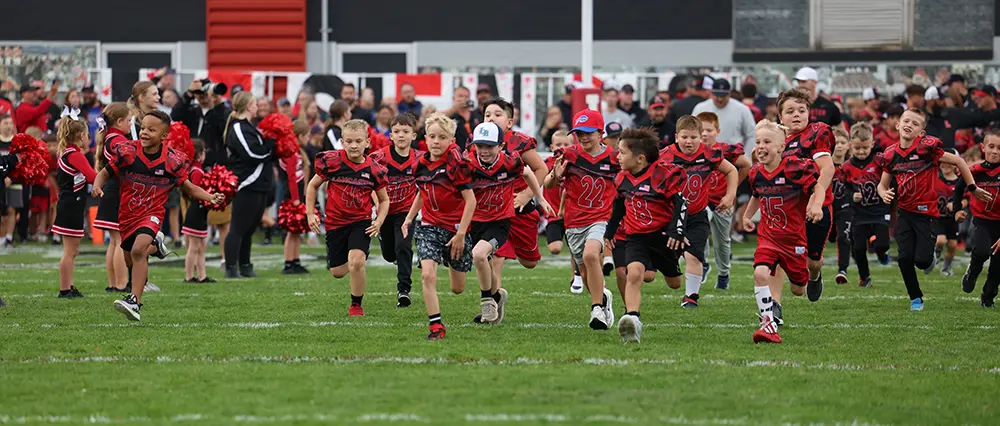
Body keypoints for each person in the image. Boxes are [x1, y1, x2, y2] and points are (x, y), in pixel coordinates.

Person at [95, 111, 223, 321]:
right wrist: (97, 185)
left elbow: (189, 188)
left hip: (152, 214)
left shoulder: (172, 161)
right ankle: (155, 245)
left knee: (138, 251)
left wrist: (210, 197)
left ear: (164, 136)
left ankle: (134, 301)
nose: (144, 133)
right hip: (127, 215)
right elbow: (105, 172)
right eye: (143, 128)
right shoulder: (128, 152)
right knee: (131, 256)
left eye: (151, 130)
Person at [877, 108, 988, 311]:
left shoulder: (928, 148)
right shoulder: (890, 154)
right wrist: (883, 192)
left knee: (922, 261)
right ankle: (915, 298)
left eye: (915, 123)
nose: (909, 125)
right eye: (906, 121)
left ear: (921, 132)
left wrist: (973, 187)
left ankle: (930, 258)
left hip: (926, 214)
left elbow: (960, 161)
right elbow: (882, 184)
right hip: (904, 213)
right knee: (903, 258)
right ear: (898, 125)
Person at [742, 120, 822, 343]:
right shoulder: (756, 173)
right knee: (760, 274)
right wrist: (747, 216)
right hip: (768, 238)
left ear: (781, 147)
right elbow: (757, 196)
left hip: (794, 240)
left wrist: (815, 205)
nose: (761, 146)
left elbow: (818, 187)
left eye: (767, 141)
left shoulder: (796, 168)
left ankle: (814, 276)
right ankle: (768, 324)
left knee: (798, 289)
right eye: (758, 142)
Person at [604, 128, 687, 343]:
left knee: (675, 283)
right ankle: (633, 320)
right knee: (634, 273)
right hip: (636, 237)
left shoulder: (663, 175)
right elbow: (620, 205)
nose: (617, 157)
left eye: (622, 152)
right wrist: (610, 230)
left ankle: (669, 268)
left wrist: (676, 230)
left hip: (662, 237)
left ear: (640, 159)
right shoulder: (622, 178)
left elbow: (681, 203)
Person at [467, 122, 552, 325]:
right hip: (476, 222)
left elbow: (529, 173)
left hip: (500, 222)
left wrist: (539, 198)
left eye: (490, 146)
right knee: (485, 264)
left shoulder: (510, 162)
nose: (485, 151)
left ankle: (487, 301)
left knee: (478, 255)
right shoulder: (467, 164)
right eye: (480, 146)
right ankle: (497, 296)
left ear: (500, 146)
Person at [401, 113, 476, 340]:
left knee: (457, 288)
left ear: (451, 140)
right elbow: (422, 193)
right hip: (429, 226)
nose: (435, 141)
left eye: (441, 137)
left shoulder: (457, 165)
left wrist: (461, 233)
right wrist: (409, 218)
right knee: (427, 276)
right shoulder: (420, 165)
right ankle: (436, 326)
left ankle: (495, 294)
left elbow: (471, 201)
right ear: (425, 138)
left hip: (456, 229)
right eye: (432, 136)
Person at [306, 119, 390, 317]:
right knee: (338, 272)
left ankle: (356, 304)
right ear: (342, 142)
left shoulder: (374, 169)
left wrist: (378, 221)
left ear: (367, 143)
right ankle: (356, 259)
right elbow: (312, 186)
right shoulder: (333, 162)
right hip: (335, 222)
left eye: (358, 141)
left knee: (356, 262)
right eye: (349, 141)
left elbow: (384, 200)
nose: (354, 145)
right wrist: (311, 213)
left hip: (360, 221)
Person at [544, 110, 617, 329]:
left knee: (591, 254)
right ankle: (603, 298)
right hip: (574, 221)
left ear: (600, 133)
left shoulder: (614, 157)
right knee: (585, 273)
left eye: (588, 133)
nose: (583, 138)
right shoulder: (569, 154)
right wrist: (556, 175)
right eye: (579, 133)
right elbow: (548, 184)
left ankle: (596, 309)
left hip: (601, 218)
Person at [659, 115, 738, 308]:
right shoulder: (664, 156)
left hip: (696, 214)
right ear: (676, 137)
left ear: (700, 137)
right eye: (685, 137)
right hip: (670, 216)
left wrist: (730, 195)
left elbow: (732, 171)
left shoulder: (710, 154)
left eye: (694, 137)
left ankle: (691, 297)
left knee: (694, 255)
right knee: (662, 270)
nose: (689, 141)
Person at [777, 89, 835, 302]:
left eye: (802, 110)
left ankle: (815, 275)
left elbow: (828, 169)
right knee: (777, 256)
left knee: (812, 260)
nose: (796, 115)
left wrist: (815, 201)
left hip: (817, 206)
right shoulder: (776, 139)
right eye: (790, 111)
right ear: (780, 117)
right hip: (789, 209)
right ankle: (773, 306)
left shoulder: (816, 133)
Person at [369, 113, 421, 306]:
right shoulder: (378, 158)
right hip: (385, 211)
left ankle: (404, 290)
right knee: (390, 254)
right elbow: (369, 184)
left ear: (413, 136)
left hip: (406, 213)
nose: (401, 135)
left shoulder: (420, 159)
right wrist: (377, 206)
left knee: (403, 247)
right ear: (390, 135)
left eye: (406, 131)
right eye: (397, 131)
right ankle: (385, 239)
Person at [223, 92, 275, 279]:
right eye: (254, 103)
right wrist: (271, 145)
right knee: (238, 227)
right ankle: (231, 267)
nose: (257, 107)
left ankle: (245, 265)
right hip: (247, 183)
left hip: (259, 183)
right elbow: (252, 154)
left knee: (250, 228)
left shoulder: (249, 126)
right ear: (247, 106)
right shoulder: (238, 127)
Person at [697, 112, 750, 291]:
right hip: (701, 201)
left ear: (717, 131)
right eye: (701, 130)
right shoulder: (691, 150)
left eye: (709, 130)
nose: (704, 134)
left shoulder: (725, 150)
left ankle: (723, 274)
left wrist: (731, 191)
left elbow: (746, 165)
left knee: (722, 242)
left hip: (722, 201)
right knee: (699, 231)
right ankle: (703, 263)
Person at [52, 108, 97, 298]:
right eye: (87, 134)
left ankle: (68, 287)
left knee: (72, 250)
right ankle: (65, 289)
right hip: (71, 204)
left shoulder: (68, 152)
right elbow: (92, 176)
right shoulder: (75, 155)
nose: (89, 138)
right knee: (70, 251)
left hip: (70, 203)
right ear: (80, 136)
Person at [842, 123, 891, 288]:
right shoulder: (847, 167)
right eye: (857, 148)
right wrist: (851, 196)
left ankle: (880, 251)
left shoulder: (879, 162)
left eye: (864, 147)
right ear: (850, 146)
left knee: (883, 243)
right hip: (860, 213)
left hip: (879, 210)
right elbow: (843, 189)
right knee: (858, 249)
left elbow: (891, 178)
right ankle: (865, 277)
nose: (861, 152)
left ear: (872, 144)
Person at [957, 129, 1000, 306]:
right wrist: (957, 209)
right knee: (982, 252)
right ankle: (972, 272)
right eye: (991, 146)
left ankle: (988, 297)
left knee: (998, 266)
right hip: (982, 220)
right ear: (983, 148)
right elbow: (959, 187)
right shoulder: (975, 170)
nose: (995, 151)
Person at [93, 103, 131, 292]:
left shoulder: (109, 137)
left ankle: (113, 283)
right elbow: (129, 158)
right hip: (117, 190)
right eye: (129, 121)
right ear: (119, 121)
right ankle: (121, 283)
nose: (131, 125)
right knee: (119, 240)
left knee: (114, 241)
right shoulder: (117, 139)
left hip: (111, 190)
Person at [172, 79, 231, 167]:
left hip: (214, 162)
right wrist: (188, 94)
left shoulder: (221, 112)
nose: (202, 95)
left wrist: (218, 103)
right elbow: (175, 115)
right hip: (191, 159)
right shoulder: (191, 111)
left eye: (205, 92)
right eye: (198, 92)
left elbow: (224, 127)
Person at [278, 122, 311, 275]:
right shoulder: (290, 153)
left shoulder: (297, 152)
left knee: (298, 230)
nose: (309, 138)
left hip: (297, 195)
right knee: (291, 231)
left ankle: (296, 261)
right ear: (299, 136)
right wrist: (296, 199)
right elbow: (291, 177)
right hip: (291, 196)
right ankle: (288, 262)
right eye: (307, 135)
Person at [542, 130, 574, 283]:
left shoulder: (575, 163)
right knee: (554, 248)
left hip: (573, 213)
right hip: (553, 213)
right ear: (551, 146)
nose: (562, 147)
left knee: (576, 249)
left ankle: (576, 277)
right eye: (558, 144)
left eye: (566, 144)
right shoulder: (547, 163)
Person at [692, 79, 757, 155]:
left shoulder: (742, 109)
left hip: (733, 157)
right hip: (706, 157)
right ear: (711, 93)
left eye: (723, 96)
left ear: (729, 94)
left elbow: (752, 135)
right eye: (717, 95)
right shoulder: (700, 108)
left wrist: (747, 156)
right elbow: (692, 132)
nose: (720, 99)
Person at [182, 139, 216, 283]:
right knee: (193, 247)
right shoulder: (196, 171)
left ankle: (202, 275)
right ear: (199, 155)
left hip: (200, 210)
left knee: (201, 247)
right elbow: (195, 192)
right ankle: (189, 276)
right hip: (196, 210)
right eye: (203, 153)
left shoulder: (196, 169)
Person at [928, 160, 961, 276]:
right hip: (938, 218)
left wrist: (957, 205)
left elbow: (966, 199)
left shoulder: (959, 182)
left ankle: (946, 268)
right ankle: (933, 258)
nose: (946, 165)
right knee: (941, 240)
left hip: (953, 219)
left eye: (949, 163)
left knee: (952, 245)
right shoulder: (935, 180)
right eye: (943, 163)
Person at [830, 127, 854, 285]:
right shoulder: (824, 165)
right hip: (826, 207)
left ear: (848, 145)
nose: (839, 146)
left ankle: (842, 270)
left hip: (845, 207)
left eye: (842, 142)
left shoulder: (852, 165)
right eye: (836, 142)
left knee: (843, 236)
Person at [0, 115, 19, 248]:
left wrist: (11, 177)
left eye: (10, 123)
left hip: (15, 180)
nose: (8, 126)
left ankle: (9, 237)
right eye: (5, 123)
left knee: (12, 209)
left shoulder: (17, 142)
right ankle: (1, 237)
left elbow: (21, 162)